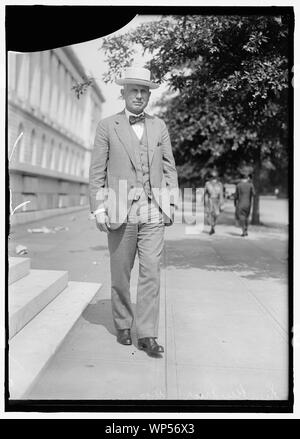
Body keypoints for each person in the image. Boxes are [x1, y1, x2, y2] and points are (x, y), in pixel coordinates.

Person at [89, 67, 178, 356]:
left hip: (153, 209)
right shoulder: (107, 126)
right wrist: (99, 208)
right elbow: (96, 172)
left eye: (144, 91)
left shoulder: (159, 125)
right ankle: (123, 324)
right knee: (121, 272)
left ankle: (148, 334)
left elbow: (169, 167)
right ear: (123, 93)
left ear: (149, 95)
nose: (139, 95)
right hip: (118, 207)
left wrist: (171, 203)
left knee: (152, 272)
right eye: (133, 90)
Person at [234, 172, 255, 237]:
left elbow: (236, 196)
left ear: (241, 178)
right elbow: (254, 194)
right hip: (248, 204)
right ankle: (246, 229)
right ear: (247, 178)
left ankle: (244, 231)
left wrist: (235, 203)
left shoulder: (238, 185)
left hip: (240, 204)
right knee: (246, 217)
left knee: (241, 217)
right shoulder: (251, 185)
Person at [204, 170, 224, 235]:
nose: (214, 178)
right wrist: (205, 203)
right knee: (210, 215)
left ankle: (213, 226)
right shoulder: (207, 184)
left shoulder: (220, 184)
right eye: (212, 177)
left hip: (217, 201)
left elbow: (221, 194)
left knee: (216, 215)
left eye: (215, 177)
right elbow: (206, 194)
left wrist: (221, 203)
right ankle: (212, 227)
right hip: (210, 201)